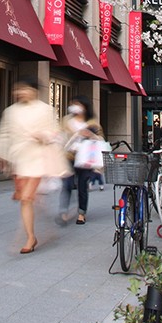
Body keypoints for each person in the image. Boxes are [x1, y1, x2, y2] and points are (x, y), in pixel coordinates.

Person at [0, 77, 70, 254]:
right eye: (18, 89)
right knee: (27, 200)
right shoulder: (10, 111)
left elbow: (55, 132)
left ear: (34, 91)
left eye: (24, 89)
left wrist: (44, 135)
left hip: (37, 159)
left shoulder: (46, 110)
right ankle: (34, 231)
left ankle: (30, 237)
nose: (20, 92)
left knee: (26, 198)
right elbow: (3, 134)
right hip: (19, 160)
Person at [59, 95, 105, 226]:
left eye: (77, 104)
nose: (74, 106)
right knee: (67, 184)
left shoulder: (92, 123)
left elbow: (101, 139)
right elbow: (60, 137)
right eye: (73, 103)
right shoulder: (66, 121)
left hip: (85, 159)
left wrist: (90, 134)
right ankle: (63, 212)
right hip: (69, 157)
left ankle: (81, 213)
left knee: (82, 186)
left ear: (85, 107)